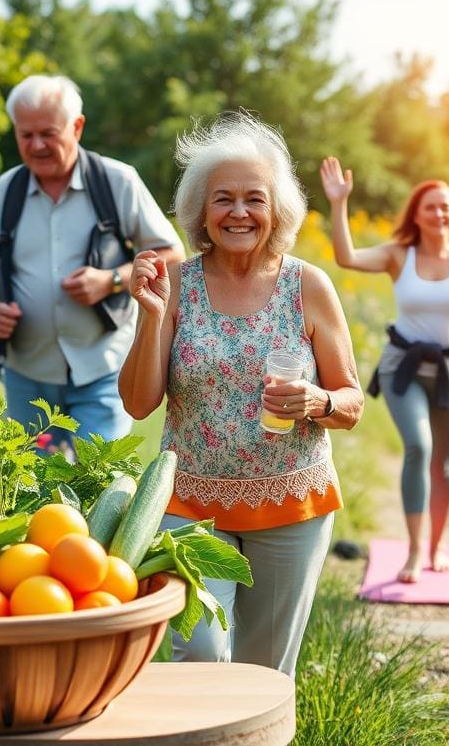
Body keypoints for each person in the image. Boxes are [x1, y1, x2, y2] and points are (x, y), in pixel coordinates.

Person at [119, 112, 363, 677]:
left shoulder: (308, 286)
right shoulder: (176, 283)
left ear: (276, 210)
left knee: (266, 669)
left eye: (254, 198)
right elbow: (137, 404)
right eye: (222, 199)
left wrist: (317, 402)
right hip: (189, 504)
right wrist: (152, 316)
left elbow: (351, 400)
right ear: (201, 211)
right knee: (200, 655)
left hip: (288, 504)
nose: (238, 212)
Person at [319, 141, 449, 583]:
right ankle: (413, 552)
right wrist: (339, 204)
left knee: (444, 463)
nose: (439, 214)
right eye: (430, 207)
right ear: (417, 214)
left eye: (447, 208)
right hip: (403, 366)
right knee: (419, 447)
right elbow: (346, 258)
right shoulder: (399, 255)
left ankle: (436, 548)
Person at [0, 75, 184, 444]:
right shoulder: (0, 195)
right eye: (25, 134)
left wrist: (111, 280)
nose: (36, 145)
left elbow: (173, 255)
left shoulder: (118, 182)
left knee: (97, 487)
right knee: (32, 491)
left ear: (77, 127)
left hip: (103, 368)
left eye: (47, 133)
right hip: (26, 374)